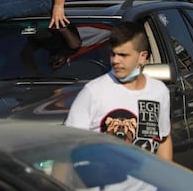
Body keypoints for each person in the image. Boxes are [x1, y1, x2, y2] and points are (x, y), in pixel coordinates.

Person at [65, 22, 172, 161]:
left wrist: (165, 178)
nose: (115, 60)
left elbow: (163, 139)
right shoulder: (93, 92)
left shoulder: (159, 91)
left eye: (123, 55)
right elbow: (69, 146)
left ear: (142, 56)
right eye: (113, 54)